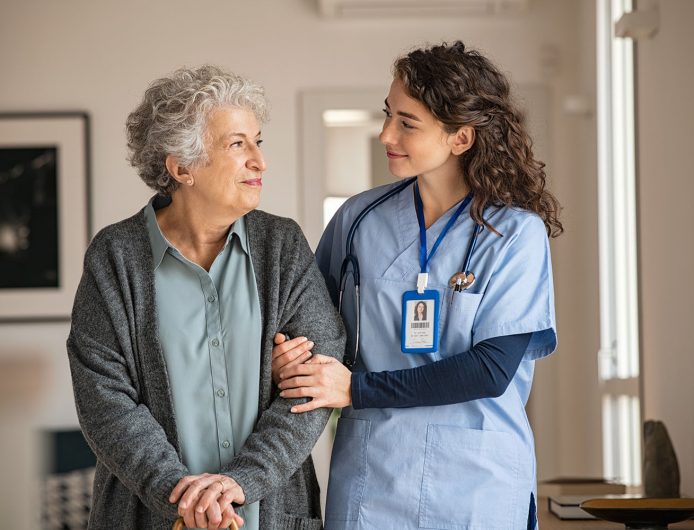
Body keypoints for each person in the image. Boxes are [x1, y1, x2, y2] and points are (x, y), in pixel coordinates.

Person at [272, 41, 562, 530]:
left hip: (477, 481)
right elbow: (310, 324)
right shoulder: (357, 219)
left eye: (408, 123)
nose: (386, 133)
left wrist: (356, 390)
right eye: (388, 115)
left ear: (461, 138)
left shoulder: (514, 234)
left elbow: (490, 370)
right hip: (373, 476)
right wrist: (292, 355)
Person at [66, 65, 344, 530]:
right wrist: (183, 498)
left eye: (258, 141)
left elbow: (316, 380)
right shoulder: (115, 257)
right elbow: (104, 400)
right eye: (238, 144)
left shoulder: (282, 245)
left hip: (270, 515)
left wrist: (241, 482)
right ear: (181, 167)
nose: (260, 161)